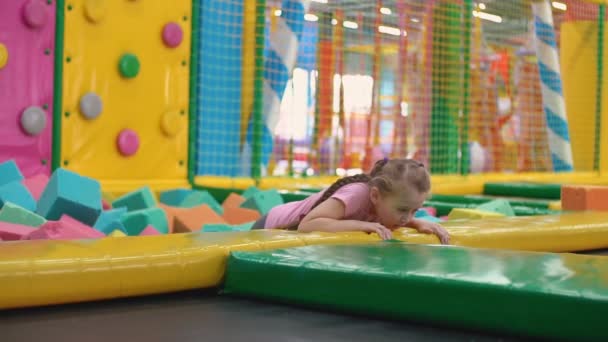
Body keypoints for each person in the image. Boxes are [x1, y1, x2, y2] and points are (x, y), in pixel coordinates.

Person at [252, 158, 450, 244]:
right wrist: (362, 225)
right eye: (403, 210)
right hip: (268, 227)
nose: (406, 218)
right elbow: (307, 225)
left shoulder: (386, 202)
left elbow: (397, 217)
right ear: (375, 196)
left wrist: (419, 223)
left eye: (414, 211)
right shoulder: (356, 195)